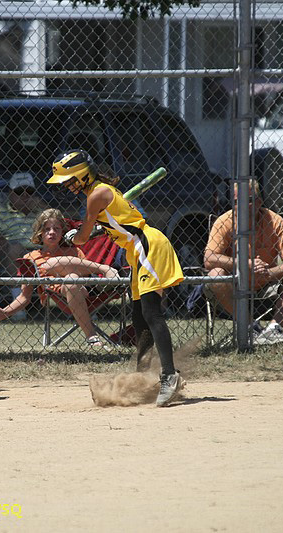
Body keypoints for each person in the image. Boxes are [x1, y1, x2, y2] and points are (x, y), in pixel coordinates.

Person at [47, 150, 185, 407]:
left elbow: (83, 238)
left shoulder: (96, 194)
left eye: (69, 180)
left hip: (148, 246)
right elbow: (111, 223)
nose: (67, 186)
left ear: (82, 175)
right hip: (137, 251)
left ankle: (169, 376)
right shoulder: (99, 192)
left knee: (151, 312)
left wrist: (72, 236)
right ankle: (144, 376)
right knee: (138, 316)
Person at [0, 208, 120, 348]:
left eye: (57, 229)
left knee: (66, 273)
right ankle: (92, 336)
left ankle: (105, 269)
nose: (52, 232)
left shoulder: (74, 251)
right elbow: (24, 296)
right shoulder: (32, 257)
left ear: (62, 232)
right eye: (47, 229)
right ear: (40, 232)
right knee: (69, 278)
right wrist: (6, 312)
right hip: (62, 294)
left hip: (88, 291)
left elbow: (87, 275)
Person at [204, 179, 283, 346]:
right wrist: (244, 264)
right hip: (234, 285)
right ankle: (249, 327)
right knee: (215, 274)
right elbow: (209, 259)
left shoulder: (274, 221)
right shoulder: (224, 222)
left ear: (259, 201)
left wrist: (270, 274)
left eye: (250, 200)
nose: (244, 206)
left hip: (267, 285)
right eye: (239, 202)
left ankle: (272, 330)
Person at [0, 172, 48, 309]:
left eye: (29, 192)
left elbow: (60, 223)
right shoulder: (1, 212)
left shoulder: (42, 212)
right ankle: (18, 303)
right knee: (15, 249)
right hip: (16, 252)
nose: (24, 196)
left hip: (43, 250)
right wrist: (0, 240)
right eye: (19, 191)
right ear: (10, 193)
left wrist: (42, 205)